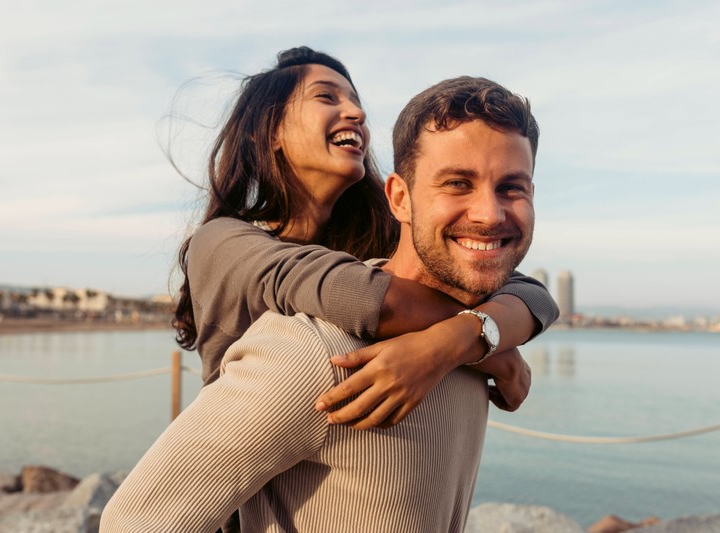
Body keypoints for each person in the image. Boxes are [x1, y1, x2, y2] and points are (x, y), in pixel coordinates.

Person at [101, 75, 542, 532]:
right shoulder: (313, 347)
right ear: (401, 199)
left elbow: (535, 296)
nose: (489, 215)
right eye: (456, 183)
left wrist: (474, 339)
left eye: (513, 188)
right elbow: (134, 522)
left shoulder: (479, 330)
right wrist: (479, 339)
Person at [172, 46, 558, 431]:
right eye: (327, 96)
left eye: (356, 102)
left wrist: (464, 337)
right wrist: (484, 344)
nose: (358, 113)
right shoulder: (221, 242)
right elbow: (357, 297)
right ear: (269, 131)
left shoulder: (377, 242)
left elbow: (533, 295)